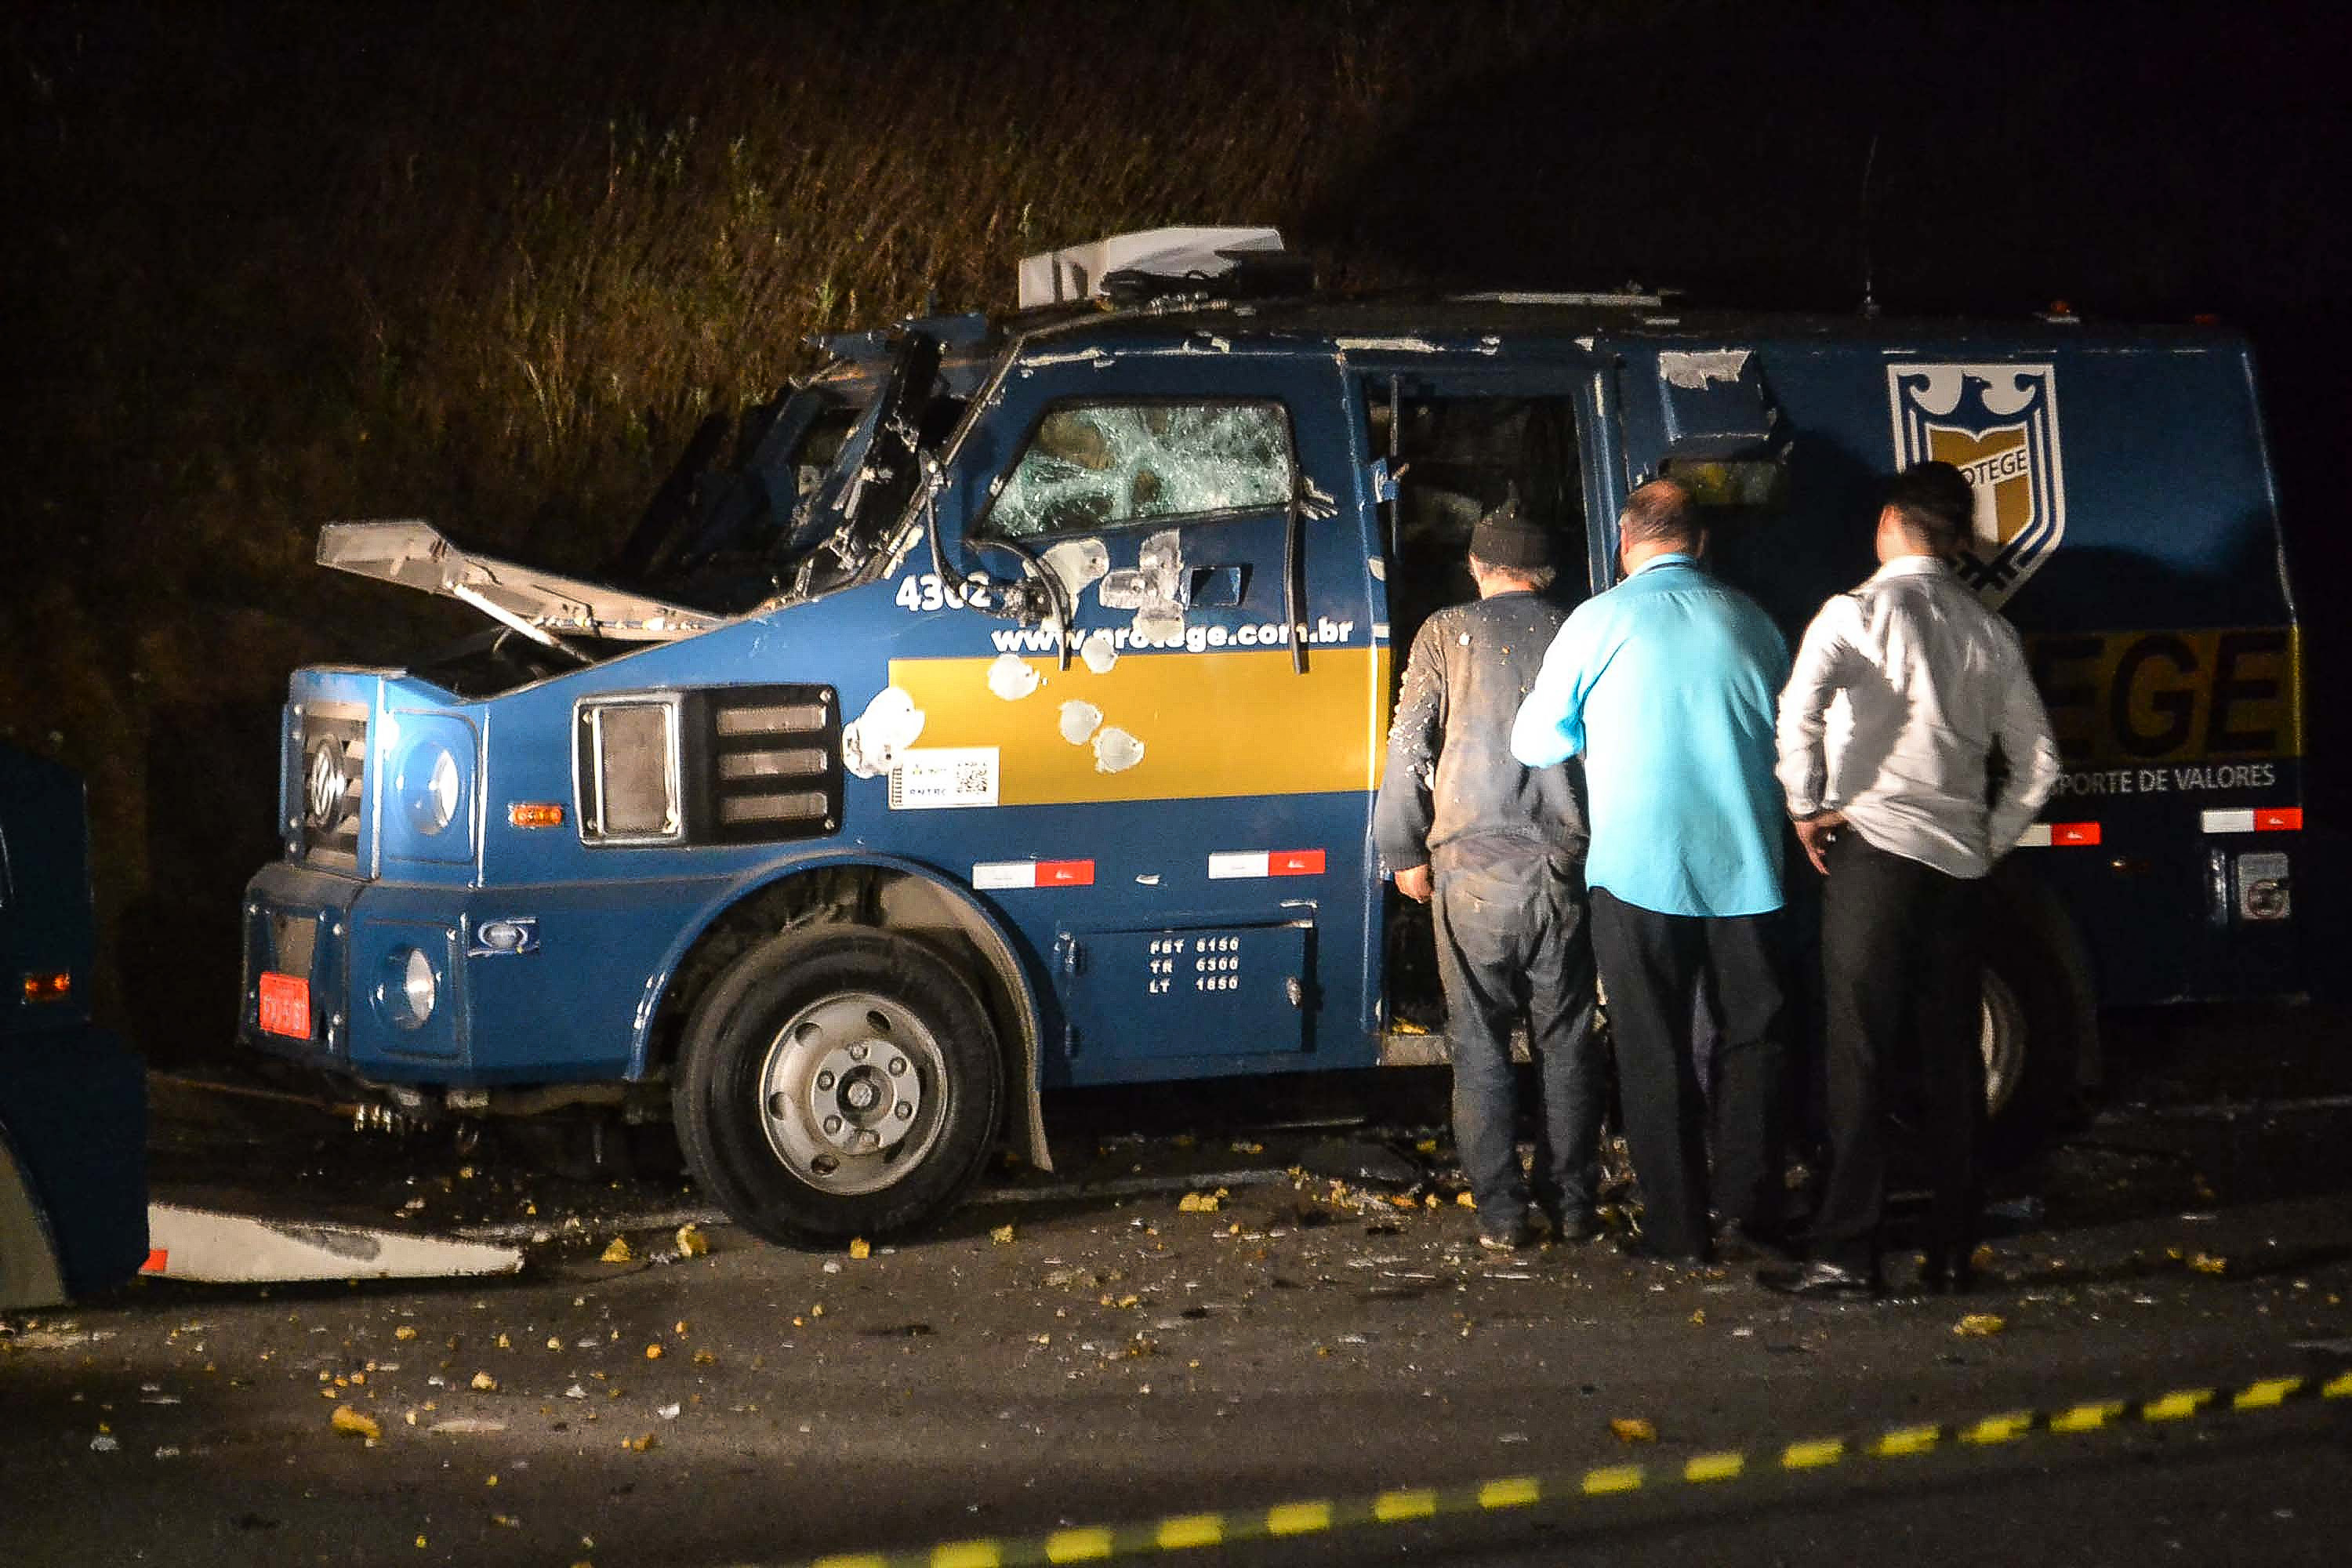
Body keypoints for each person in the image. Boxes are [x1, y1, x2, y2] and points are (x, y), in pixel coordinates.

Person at [1766, 462, 2061, 1300]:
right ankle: (1950, 1250)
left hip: (1875, 852)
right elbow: (2040, 761)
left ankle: (1844, 1252)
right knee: (1951, 1059)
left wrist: (1806, 803)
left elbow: (1798, 712)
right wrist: (1987, 840)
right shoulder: (1987, 630)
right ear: (1958, 539)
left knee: (1858, 1051)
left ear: (1891, 519)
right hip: (1959, 868)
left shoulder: (1853, 613)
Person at [1511, 479, 1791, 1265]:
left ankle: (1679, 1228)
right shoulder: (1755, 620)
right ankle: (1753, 1211)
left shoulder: (1597, 621)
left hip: (1639, 869)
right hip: (1750, 868)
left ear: (1624, 545)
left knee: (1652, 1045)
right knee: (1756, 1037)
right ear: (1701, 543)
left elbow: (1537, 742)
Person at [1375, 495, 1602, 1251]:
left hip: (1469, 868)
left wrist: (1402, 851)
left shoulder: (1447, 632)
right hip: (1562, 866)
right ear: (1547, 572)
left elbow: (1408, 745)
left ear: (1477, 567)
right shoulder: (1583, 629)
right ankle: (1573, 1205)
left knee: (1478, 1042)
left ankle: (1503, 1214)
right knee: (1566, 1038)